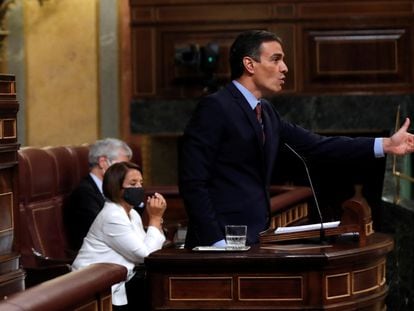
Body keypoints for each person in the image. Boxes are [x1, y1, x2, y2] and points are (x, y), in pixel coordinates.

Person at [178, 29, 414, 249]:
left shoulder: (267, 112)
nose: (285, 68)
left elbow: (318, 145)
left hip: (253, 241)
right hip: (216, 246)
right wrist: (216, 243)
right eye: (276, 59)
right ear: (249, 64)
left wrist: (386, 144)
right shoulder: (215, 107)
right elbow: (193, 181)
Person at [71, 161, 167, 311]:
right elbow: (145, 255)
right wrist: (154, 218)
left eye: (141, 183)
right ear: (117, 188)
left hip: (118, 280)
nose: (139, 188)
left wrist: (156, 219)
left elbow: (147, 247)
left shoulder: (132, 213)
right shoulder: (112, 216)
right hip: (91, 285)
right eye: (133, 184)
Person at [65, 138, 133, 251]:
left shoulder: (113, 188)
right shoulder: (84, 193)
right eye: (122, 166)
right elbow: (105, 228)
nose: (127, 172)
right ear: (103, 162)